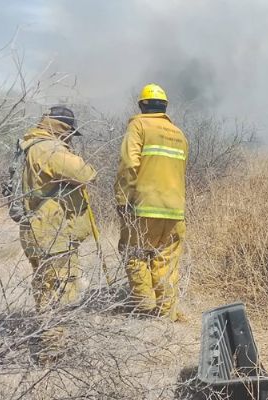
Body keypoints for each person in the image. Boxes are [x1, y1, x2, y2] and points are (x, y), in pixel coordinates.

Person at [18, 106, 97, 362]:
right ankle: (53, 352)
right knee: (60, 290)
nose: (71, 139)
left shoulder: (32, 144)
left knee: (47, 287)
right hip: (51, 231)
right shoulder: (48, 148)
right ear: (63, 129)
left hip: (39, 229)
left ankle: (50, 343)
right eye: (70, 134)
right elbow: (86, 173)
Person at [114, 83, 188, 322]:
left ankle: (144, 307)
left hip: (143, 207)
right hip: (174, 210)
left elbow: (129, 164)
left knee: (134, 253)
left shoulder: (139, 126)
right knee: (166, 260)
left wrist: (122, 199)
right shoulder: (178, 134)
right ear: (164, 106)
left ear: (142, 105)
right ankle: (166, 312)